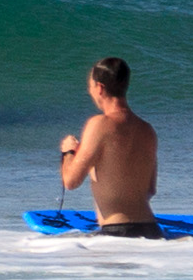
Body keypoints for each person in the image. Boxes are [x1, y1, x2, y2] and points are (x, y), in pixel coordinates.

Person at [58, 56, 160, 237]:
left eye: (90, 86)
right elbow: (150, 189)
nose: (89, 91)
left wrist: (68, 152)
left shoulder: (99, 125)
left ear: (99, 88)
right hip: (151, 231)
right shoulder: (147, 130)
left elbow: (71, 181)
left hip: (116, 234)